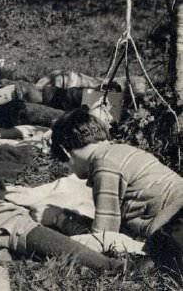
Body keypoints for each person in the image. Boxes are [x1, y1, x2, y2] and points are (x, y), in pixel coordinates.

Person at [48, 107, 183, 271]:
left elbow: (102, 235)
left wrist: (60, 219)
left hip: (174, 221)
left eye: (66, 165)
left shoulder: (104, 165)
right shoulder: (120, 151)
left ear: (65, 152)